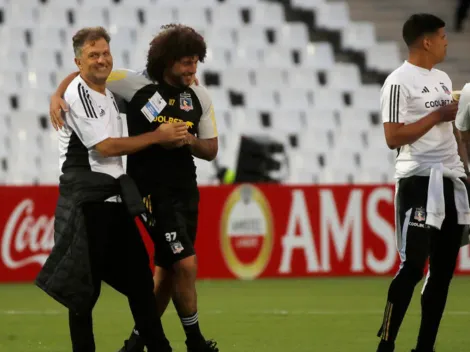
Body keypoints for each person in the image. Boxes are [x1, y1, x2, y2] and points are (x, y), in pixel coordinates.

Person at [49, 24, 219, 352]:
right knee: (180, 264)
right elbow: (86, 77)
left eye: (195, 61)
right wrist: (57, 93)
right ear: (167, 60)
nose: (192, 69)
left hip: (170, 192)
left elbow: (211, 149)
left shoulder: (197, 95)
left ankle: (139, 343)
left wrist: (187, 140)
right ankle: (194, 342)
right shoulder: (133, 83)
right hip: (138, 193)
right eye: (185, 62)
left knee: (160, 274)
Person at [376, 14, 470, 352]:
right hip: (417, 179)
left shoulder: (443, 78)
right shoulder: (398, 82)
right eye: (443, 36)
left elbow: (454, 131)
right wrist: (436, 115)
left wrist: (465, 166)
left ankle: (424, 347)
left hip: (450, 181)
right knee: (413, 265)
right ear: (427, 41)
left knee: (443, 271)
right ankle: (386, 342)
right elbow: (392, 137)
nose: (447, 41)